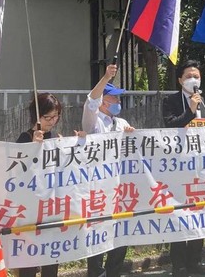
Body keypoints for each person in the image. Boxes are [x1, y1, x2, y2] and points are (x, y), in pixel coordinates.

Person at [81, 63, 133, 277]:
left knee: (121, 231)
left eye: (119, 99)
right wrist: (105, 78)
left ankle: (114, 271)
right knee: (97, 230)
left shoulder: (121, 123)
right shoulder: (93, 123)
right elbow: (90, 101)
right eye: (114, 98)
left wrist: (132, 135)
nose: (118, 102)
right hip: (98, 186)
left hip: (120, 186)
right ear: (103, 101)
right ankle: (96, 272)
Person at [162, 60, 205, 277]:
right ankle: (178, 264)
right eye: (190, 76)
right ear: (180, 80)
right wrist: (190, 110)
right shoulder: (171, 101)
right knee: (180, 215)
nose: (194, 80)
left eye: (197, 76)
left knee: (200, 213)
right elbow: (170, 125)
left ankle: (195, 260)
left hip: (201, 166)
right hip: (179, 167)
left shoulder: (204, 100)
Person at [16, 92, 63, 277]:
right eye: (47, 117)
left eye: (56, 116)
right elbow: (16, 172)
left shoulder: (56, 138)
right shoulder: (24, 138)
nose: (52, 121)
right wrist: (32, 147)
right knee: (29, 256)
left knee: (52, 255)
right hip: (31, 208)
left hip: (52, 206)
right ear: (36, 116)